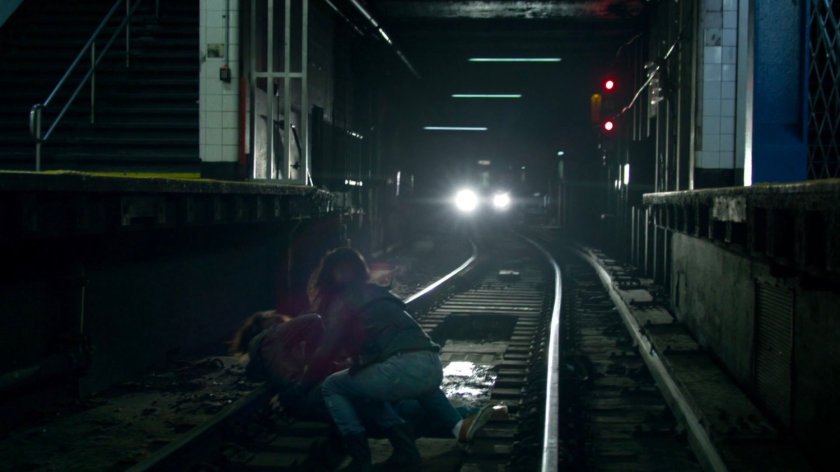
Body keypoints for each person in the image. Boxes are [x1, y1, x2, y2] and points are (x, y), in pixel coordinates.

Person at [303, 247, 493, 471]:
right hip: (431, 366)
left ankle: (361, 459)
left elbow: (326, 351)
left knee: (333, 386)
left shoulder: (343, 300)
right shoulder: (378, 292)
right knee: (367, 385)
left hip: (399, 369)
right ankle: (446, 432)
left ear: (329, 275)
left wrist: (303, 384)